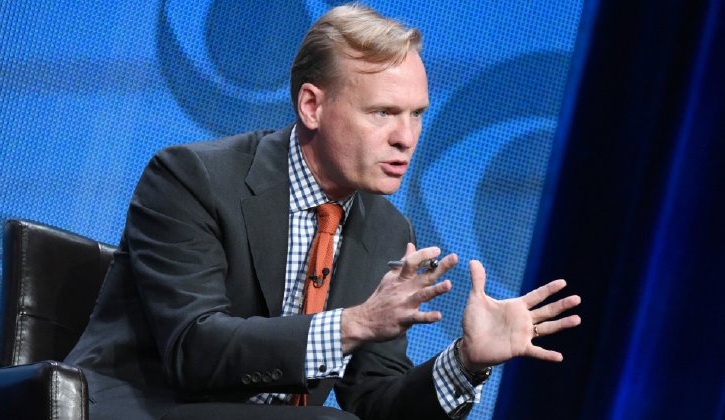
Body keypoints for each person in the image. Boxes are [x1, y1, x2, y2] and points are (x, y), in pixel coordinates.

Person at [65, 4, 581, 419]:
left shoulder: (387, 229)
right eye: (383, 112)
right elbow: (193, 350)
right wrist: (354, 324)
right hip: (146, 407)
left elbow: (374, 403)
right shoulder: (191, 177)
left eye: (416, 114)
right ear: (312, 106)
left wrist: (464, 362)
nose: (406, 138)